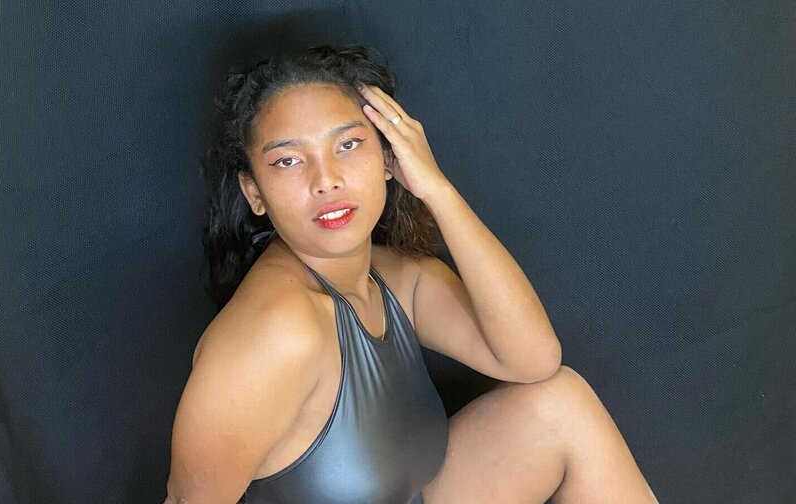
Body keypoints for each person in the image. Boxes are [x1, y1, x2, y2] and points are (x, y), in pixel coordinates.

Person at [164, 45, 658, 503]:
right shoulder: (274, 334)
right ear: (254, 193)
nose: (326, 180)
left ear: (390, 157)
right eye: (288, 160)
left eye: (348, 144)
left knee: (560, 404)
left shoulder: (392, 276)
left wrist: (437, 189)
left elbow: (533, 359)